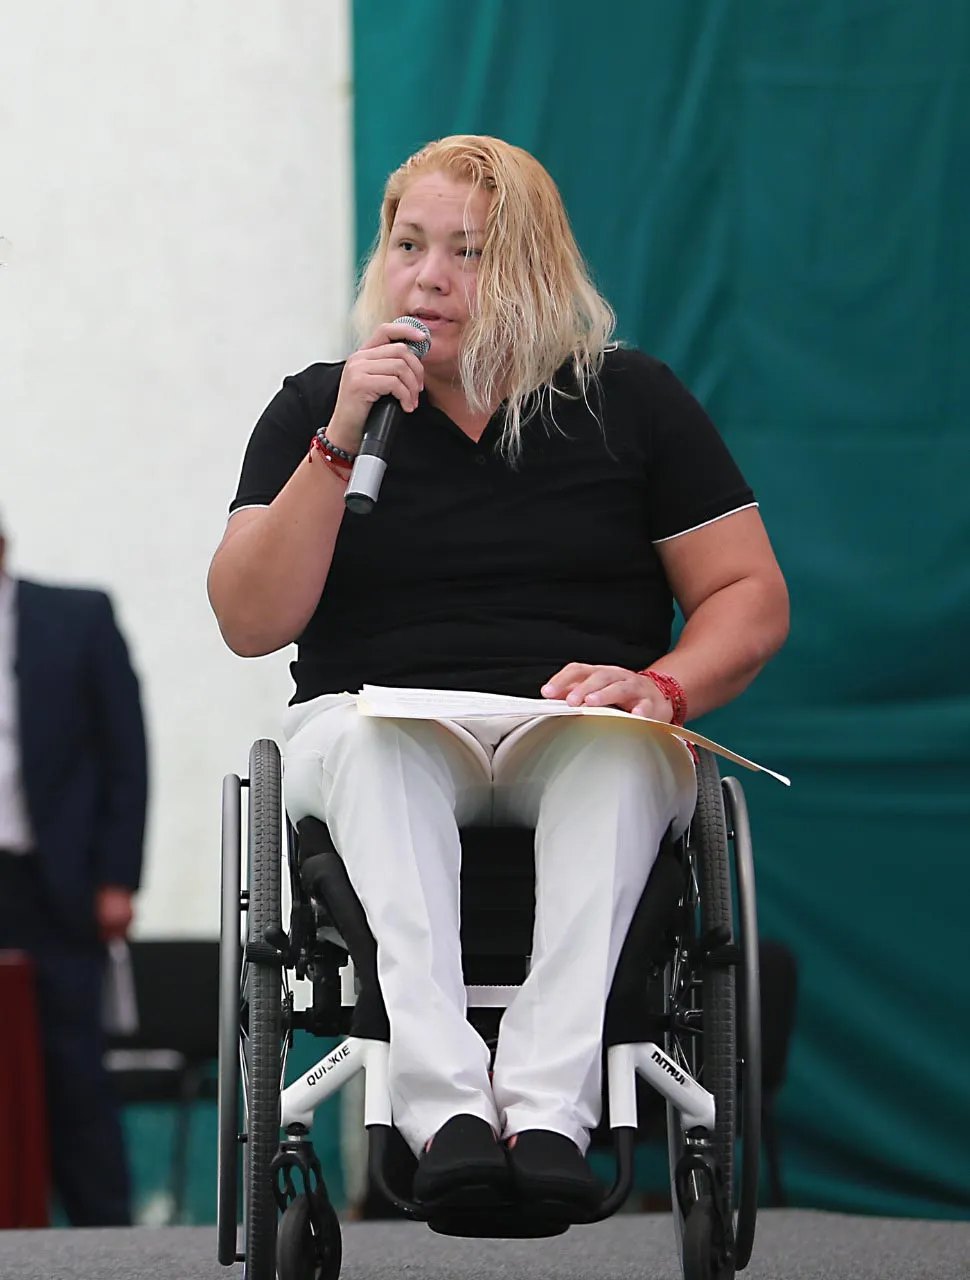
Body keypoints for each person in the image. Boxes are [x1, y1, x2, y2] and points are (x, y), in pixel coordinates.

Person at [208, 135, 789, 1212]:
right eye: (407, 245)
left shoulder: (632, 402)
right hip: (377, 718)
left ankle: (546, 1109)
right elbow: (249, 619)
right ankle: (446, 1112)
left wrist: (660, 687)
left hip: (572, 718)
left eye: (466, 253)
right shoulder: (318, 408)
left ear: (534, 269)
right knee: (382, 748)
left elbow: (748, 593)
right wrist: (336, 445)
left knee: (619, 759)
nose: (427, 276)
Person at [0, 514, 148, 1225]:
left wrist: (117, 877)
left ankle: (105, 1237)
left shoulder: (75, 618)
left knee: (72, 1067)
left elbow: (125, 753)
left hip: (52, 880)